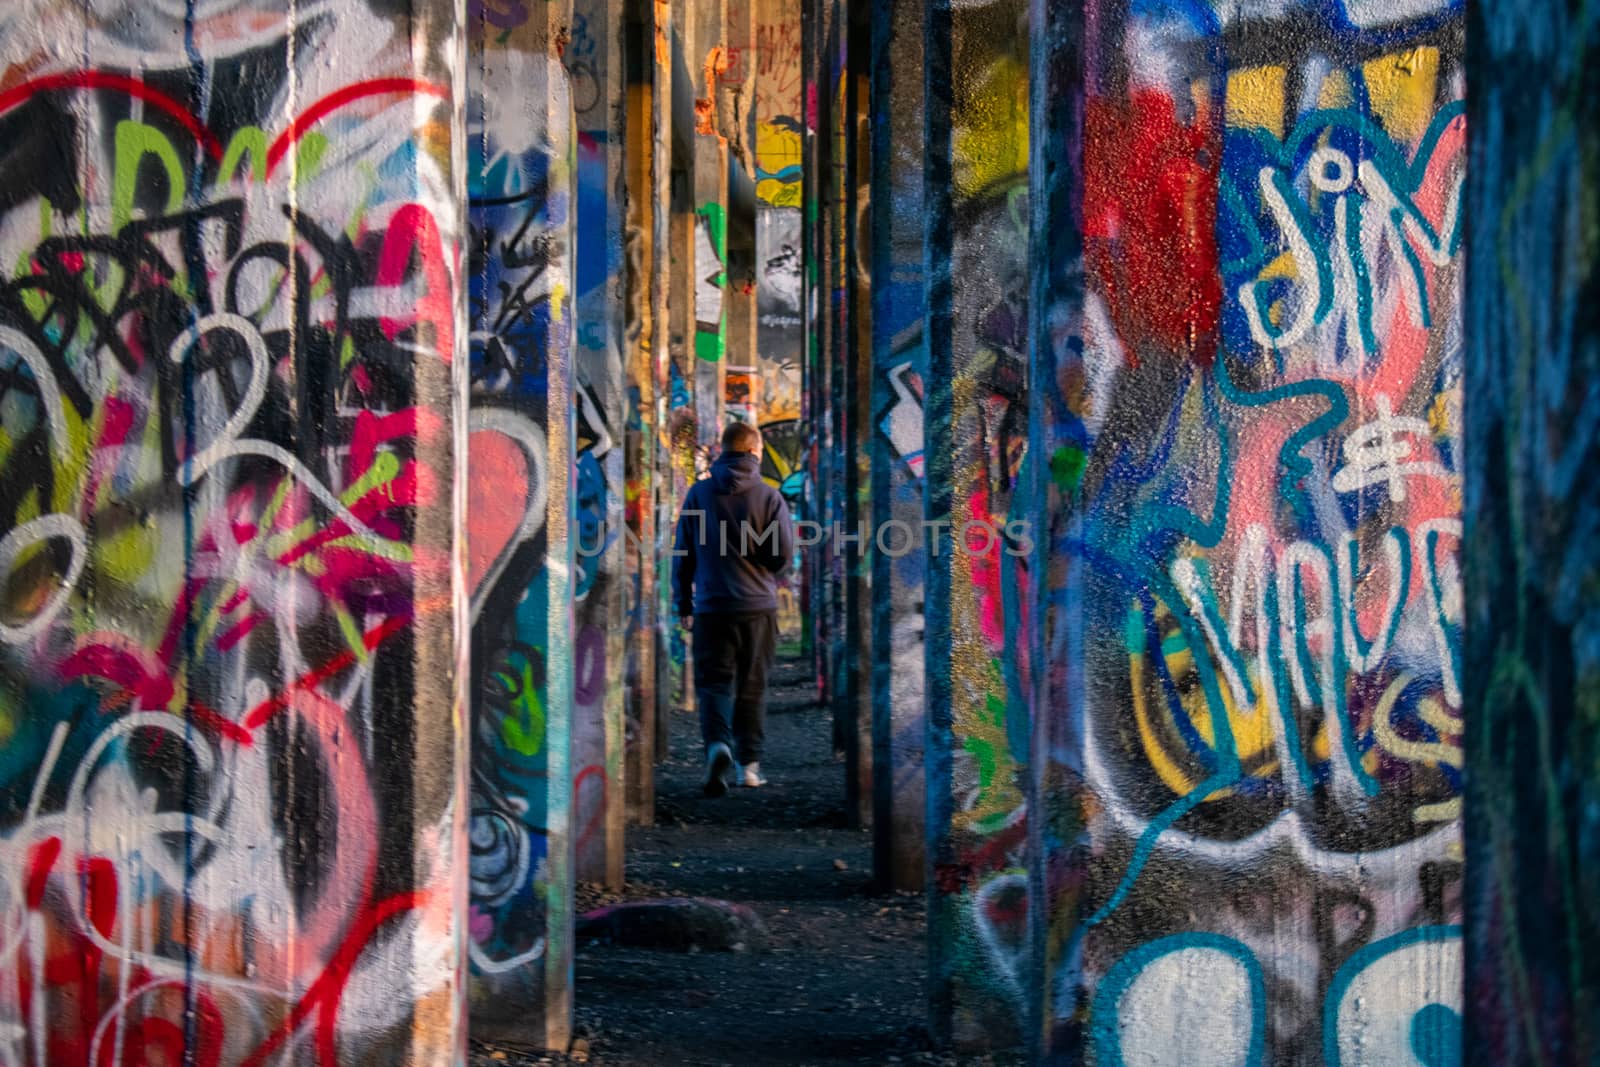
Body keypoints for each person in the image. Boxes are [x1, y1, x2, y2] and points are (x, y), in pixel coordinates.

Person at [672, 421, 796, 797]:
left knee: (713, 684)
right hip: (757, 608)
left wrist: (684, 603)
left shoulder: (698, 494)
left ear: (721, 452)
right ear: (756, 452)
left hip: (711, 608)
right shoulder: (770, 498)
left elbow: (683, 554)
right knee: (752, 686)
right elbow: (781, 557)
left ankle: (718, 746)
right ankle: (750, 768)